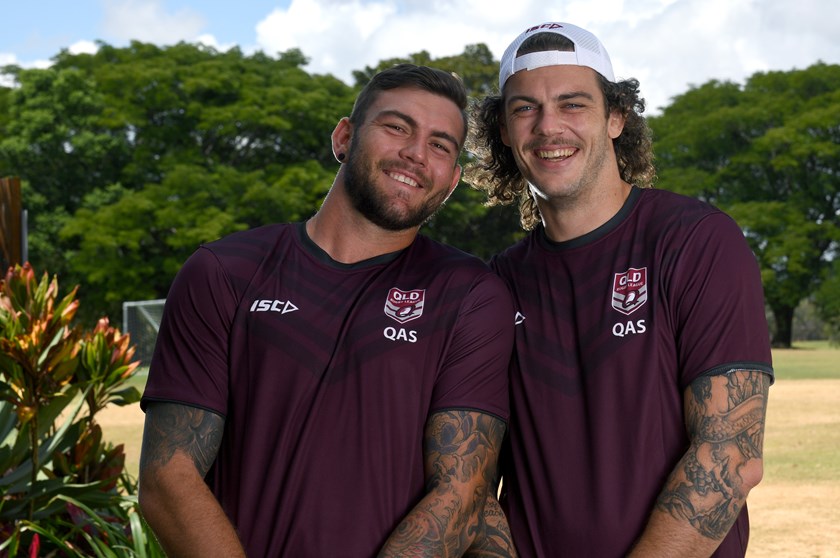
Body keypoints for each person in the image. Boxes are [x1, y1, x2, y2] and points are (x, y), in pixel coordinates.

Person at [138, 63, 517, 557]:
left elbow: (460, 494)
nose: (415, 153)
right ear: (344, 137)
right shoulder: (225, 270)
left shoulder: (470, 294)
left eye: (441, 145)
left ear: (451, 181)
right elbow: (169, 474)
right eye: (396, 127)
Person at [466, 22, 774, 557]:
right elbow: (472, 482)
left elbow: (729, 456)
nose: (548, 127)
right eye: (524, 109)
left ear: (615, 117)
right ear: (503, 132)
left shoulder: (694, 240)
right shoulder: (496, 283)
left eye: (573, 104)